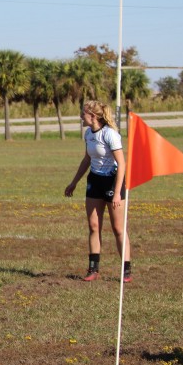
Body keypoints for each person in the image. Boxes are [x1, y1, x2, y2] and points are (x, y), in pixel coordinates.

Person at [64, 100, 131, 282]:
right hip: (95, 180)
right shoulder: (88, 134)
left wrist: (117, 192)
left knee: (118, 228)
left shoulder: (110, 135)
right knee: (94, 226)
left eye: (83, 113)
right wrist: (74, 182)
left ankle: (126, 270)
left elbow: (122, 164)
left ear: (92, 116)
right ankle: (93, 269)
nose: (81, 116)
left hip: (113, 182)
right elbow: (87, 159)